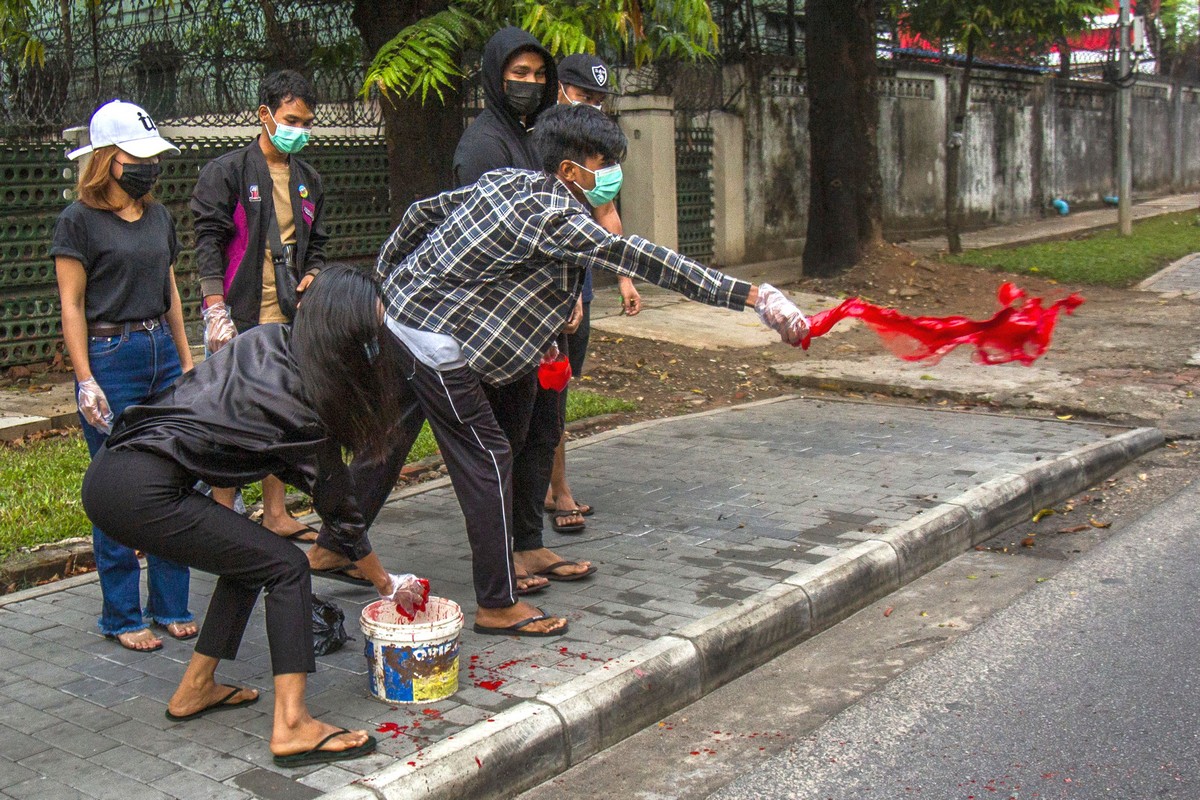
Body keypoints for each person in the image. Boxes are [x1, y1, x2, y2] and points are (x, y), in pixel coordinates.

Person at [323, 104, 809, 638]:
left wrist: (387, 282)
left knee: (393, 437)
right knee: (488, 456)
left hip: (410, 317)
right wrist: (755, 297)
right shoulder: (553, 217)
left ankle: (333, 546)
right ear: (571, 171)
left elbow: (422, 212)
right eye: (605, 163)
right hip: (431, 339)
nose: (612, 175)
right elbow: (642, 257)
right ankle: (495, 604)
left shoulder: (508, 181)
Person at [80, 266, 426, 767]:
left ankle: (195, 688)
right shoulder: (305, 406)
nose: (376, 348)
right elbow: (343, 515)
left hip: (117, 472)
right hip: (141, 488)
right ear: (346, 334)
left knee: (252, 559)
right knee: (286, 565)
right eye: (371, 334)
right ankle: (292, 725)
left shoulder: (268, 340)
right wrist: (386, 584)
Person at [52, 99, 197, 652]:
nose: (147, 167)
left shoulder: (158, 216)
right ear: (107, 159)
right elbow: (71, 305)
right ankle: (120, 614)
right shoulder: (78, 221)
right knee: (117, 486)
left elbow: (172, 292)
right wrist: (85, 379)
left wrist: (189, 362)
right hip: (111, 357)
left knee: (175, 478)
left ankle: (171, 604)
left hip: (161, 347)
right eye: (136, 157)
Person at [190, 69, 328, 542]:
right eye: (292, 119)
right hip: (239, 315)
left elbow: (317, 244)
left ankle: (275, 513)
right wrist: (214, 309)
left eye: (307, 122)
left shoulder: (307, 179)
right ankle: (223, 515)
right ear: (264, 115)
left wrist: (312, 274)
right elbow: (208, 241)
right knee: (229, 416)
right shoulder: (226, 172)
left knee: (281, 415)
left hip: (288, 319)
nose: (300, 130)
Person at [543, 53, 642, 534]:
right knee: (545, 387)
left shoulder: (596, 150)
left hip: (578, 282)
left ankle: (551, 483)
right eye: (584, 97)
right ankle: (555, 489)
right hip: (546, 288)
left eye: (600, 100)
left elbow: (607, 215)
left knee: (559, 385)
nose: (593, 107)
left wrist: (623, 277)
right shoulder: (547, 142)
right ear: (561, 89)